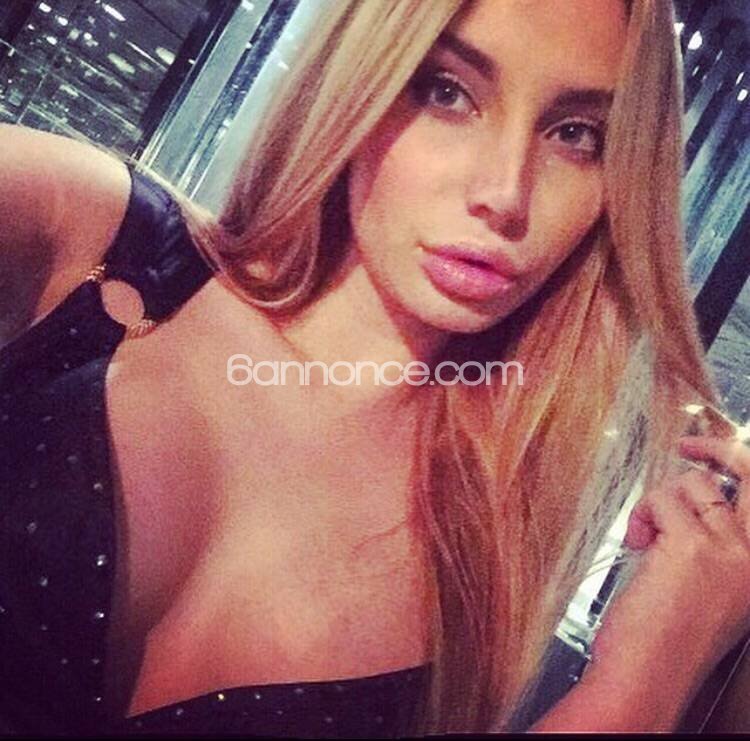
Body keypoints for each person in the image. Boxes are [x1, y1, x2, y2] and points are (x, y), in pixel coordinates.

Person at [0, 0, 748, 735]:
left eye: (576, 134)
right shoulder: (85, 238)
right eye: (446, 91)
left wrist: (652, 664)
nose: (504, 195)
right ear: (362, 76)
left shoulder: (490, 540)